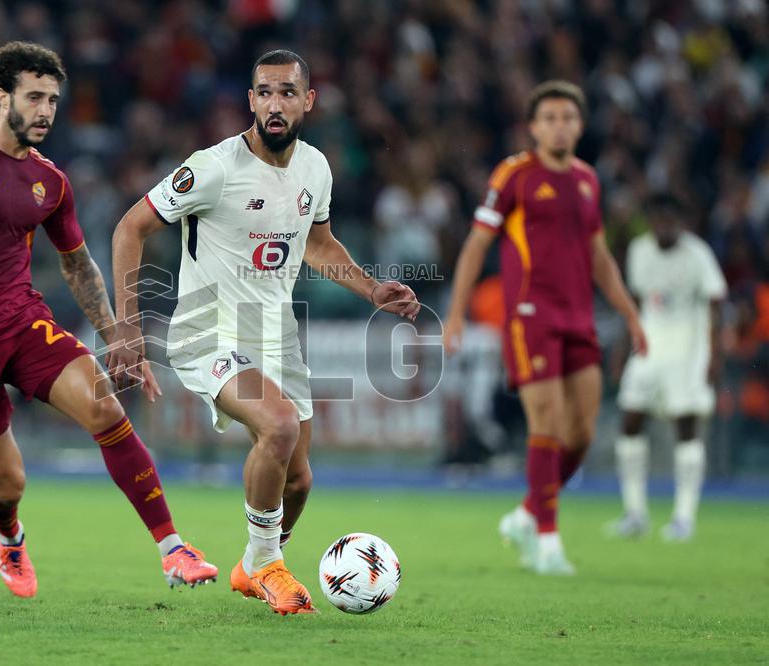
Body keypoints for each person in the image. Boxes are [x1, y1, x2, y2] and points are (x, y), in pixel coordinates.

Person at [0, 41, 216, 598]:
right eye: (35, 97)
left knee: (104, 406)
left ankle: (173, 548)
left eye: (54, 99)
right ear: (2, 96)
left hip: (23, 321)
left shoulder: (51, 181)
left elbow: (77, 265)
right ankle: (9, 535)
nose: (47, 110)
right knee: (8, 483)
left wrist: (117, 338)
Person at [108, 49, 420, 614]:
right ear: (251, 101)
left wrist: (372, 289)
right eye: (265, 93)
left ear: (308, 100)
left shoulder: (315, 168)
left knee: (298, 480)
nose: (275, 104)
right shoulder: (214, 167)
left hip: (276, 335)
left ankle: (253, 564)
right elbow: (131, 227)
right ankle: (267, 564)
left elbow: (319, 244)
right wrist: (126, 326)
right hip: (207, 331)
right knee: (276, 426)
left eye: (287, 93)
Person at [444, 80, 648, 575]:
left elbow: (599, 256)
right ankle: (548, 541)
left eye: (568, 117)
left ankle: (528, 513)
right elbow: (476, 245)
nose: (560, 126)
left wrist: (630, 314)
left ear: (579, 125)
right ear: (534, 126)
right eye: (550, 118)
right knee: (549, 425)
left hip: (579, 317)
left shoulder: (586, 179)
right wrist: (455, 312)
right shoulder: (514, 174)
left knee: (580, 433)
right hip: (530, 316)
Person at [609, 193, 726, 542]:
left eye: (669, 220)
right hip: (649, 344)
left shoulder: (698, 254)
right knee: (630, 419)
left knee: (686, 426)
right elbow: (636, 303)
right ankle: (635, 513)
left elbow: (716, 304)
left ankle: (683, 517)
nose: (662, 226)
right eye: (657, 219)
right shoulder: (640, 251)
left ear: (680, 221)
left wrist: (714, 355)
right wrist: (621, 350)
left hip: (688, 348)